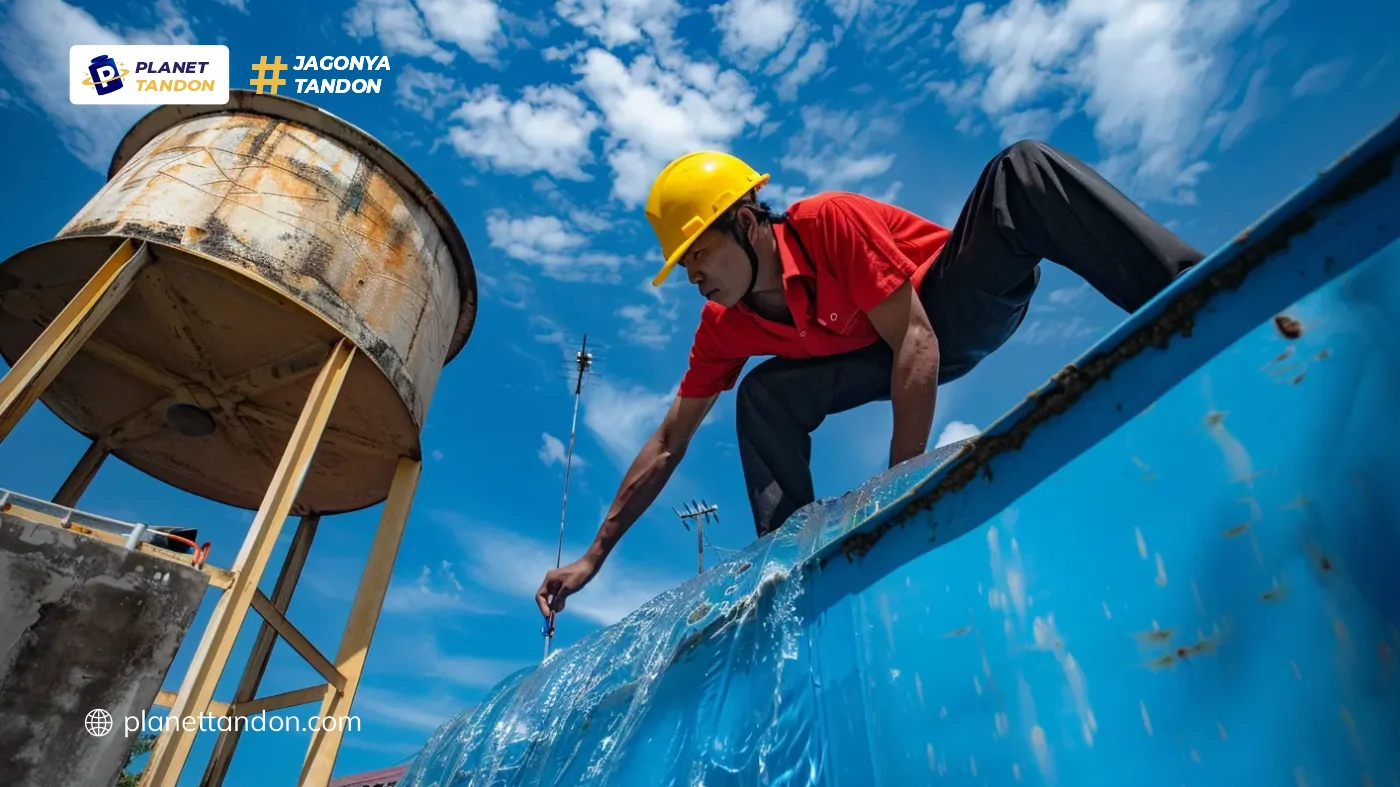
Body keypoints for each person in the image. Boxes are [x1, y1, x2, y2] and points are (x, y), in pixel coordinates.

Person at [535, 139, 1203, 622]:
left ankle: (1192, 292)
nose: (695, 277)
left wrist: (896, 496)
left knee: (1018, 173)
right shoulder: (723, 324)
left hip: (955, 303)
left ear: (745, 221)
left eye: (699, 255)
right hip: (882, 354)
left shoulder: (828, 223)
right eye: (684, 268)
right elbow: (668, 441)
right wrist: (594, 556)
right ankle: (796, 567)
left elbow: (917, 339)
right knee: (763, 393)